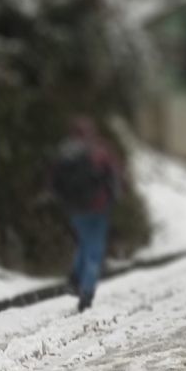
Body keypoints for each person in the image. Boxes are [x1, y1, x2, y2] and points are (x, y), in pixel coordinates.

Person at [49, 118, 122, 309]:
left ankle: (74, 279)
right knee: (94, 250)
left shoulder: (64, 151)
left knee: (84, 242)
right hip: (98, 207)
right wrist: (113, 199)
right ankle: (86, 292)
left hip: (74, 208)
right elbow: (113, 176)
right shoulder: (99, 151)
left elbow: (54, 181)